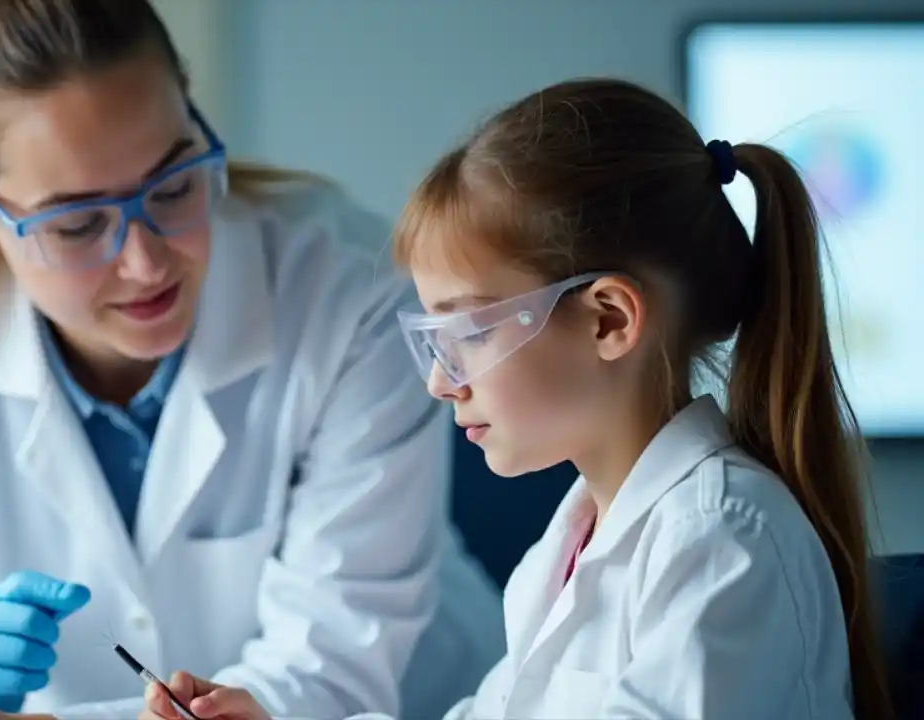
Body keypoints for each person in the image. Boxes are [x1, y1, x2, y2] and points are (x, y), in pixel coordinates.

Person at [136, 77, 898, 720]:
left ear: (608, 320)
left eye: (469, 332)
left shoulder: (721, 539)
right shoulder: (571, 545)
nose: (441, 380)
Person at [0, 0, 505, 719]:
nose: (147, 261)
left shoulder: (348, 294)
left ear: (189, 109)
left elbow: (327, 672)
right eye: (80, 223)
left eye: (175, 184)